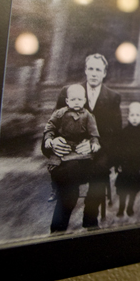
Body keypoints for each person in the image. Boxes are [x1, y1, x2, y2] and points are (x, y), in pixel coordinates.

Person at [51, 53, 122, 229]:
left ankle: (90, 221)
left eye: (98, 70)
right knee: (68, 185)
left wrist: (94, 145)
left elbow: (115, 134)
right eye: (90, 68)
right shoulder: (69, 92)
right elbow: (55, 124)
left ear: (104, 73)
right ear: (85, 70)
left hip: (99, 152)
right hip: (72, 152)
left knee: (100, 173)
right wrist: (57, 141)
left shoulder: (113, 97)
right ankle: (58, 228)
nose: (94, 73)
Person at [43, 84, 100, 233]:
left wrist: (94, 143)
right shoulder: (60, 111)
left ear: (84, 100)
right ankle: (57, 230)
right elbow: (50, 127)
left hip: (85, 152)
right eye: (73, 99)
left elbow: (95, 133)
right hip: (65, 148)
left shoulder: (88, 115)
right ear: (67, 101)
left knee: (94, 175)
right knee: (58, 168)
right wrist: (50, 140)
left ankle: (91, 225)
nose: (76, 102)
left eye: (80, 99)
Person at [115, 102, 140, 217]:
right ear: (128, 117)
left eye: (137, 115)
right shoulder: (123, 132)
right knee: (123, 189)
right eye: (132, 115)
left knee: (133, 189)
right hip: (125, 166)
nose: (135, 118)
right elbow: (118, 149)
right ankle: (121, 208)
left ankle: (130, 207)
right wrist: (118, 164)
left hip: (137, 166)